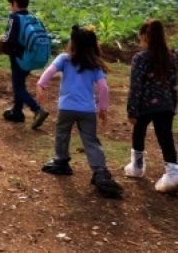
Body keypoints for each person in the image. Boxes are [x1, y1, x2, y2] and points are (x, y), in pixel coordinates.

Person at [36, 25, 123, 198]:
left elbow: (49, 71)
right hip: (87, 111)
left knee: (62, 133)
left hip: (66, 108)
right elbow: (103, 88)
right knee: (91, 140)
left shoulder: (64, 59)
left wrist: (41, 85)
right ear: (92, 45)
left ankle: (61, 161)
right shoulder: (95, 65)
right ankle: (99, 171)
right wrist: (103, 108)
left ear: (73, 43)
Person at [123, 20, 178, 193]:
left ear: (144, 37)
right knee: (165, 137)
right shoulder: (172, 57)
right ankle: (173, 171)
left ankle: (137, 166)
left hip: (144, 104)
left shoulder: (140, 58)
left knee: (139, 132)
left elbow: (136, 85)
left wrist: (131, 110)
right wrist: (173, 106)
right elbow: (174, 84)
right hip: (166, 104)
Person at [0, 0, 49, 128]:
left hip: (19, 57)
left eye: (11, 4)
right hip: (31, 57)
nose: (11, 7)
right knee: (20, 83)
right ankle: (17, 111)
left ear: (15, 3)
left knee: (18, 87)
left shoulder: (14, 17)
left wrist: (2, 39)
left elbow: (10, 39)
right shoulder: (33, 18)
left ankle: (37, 109)